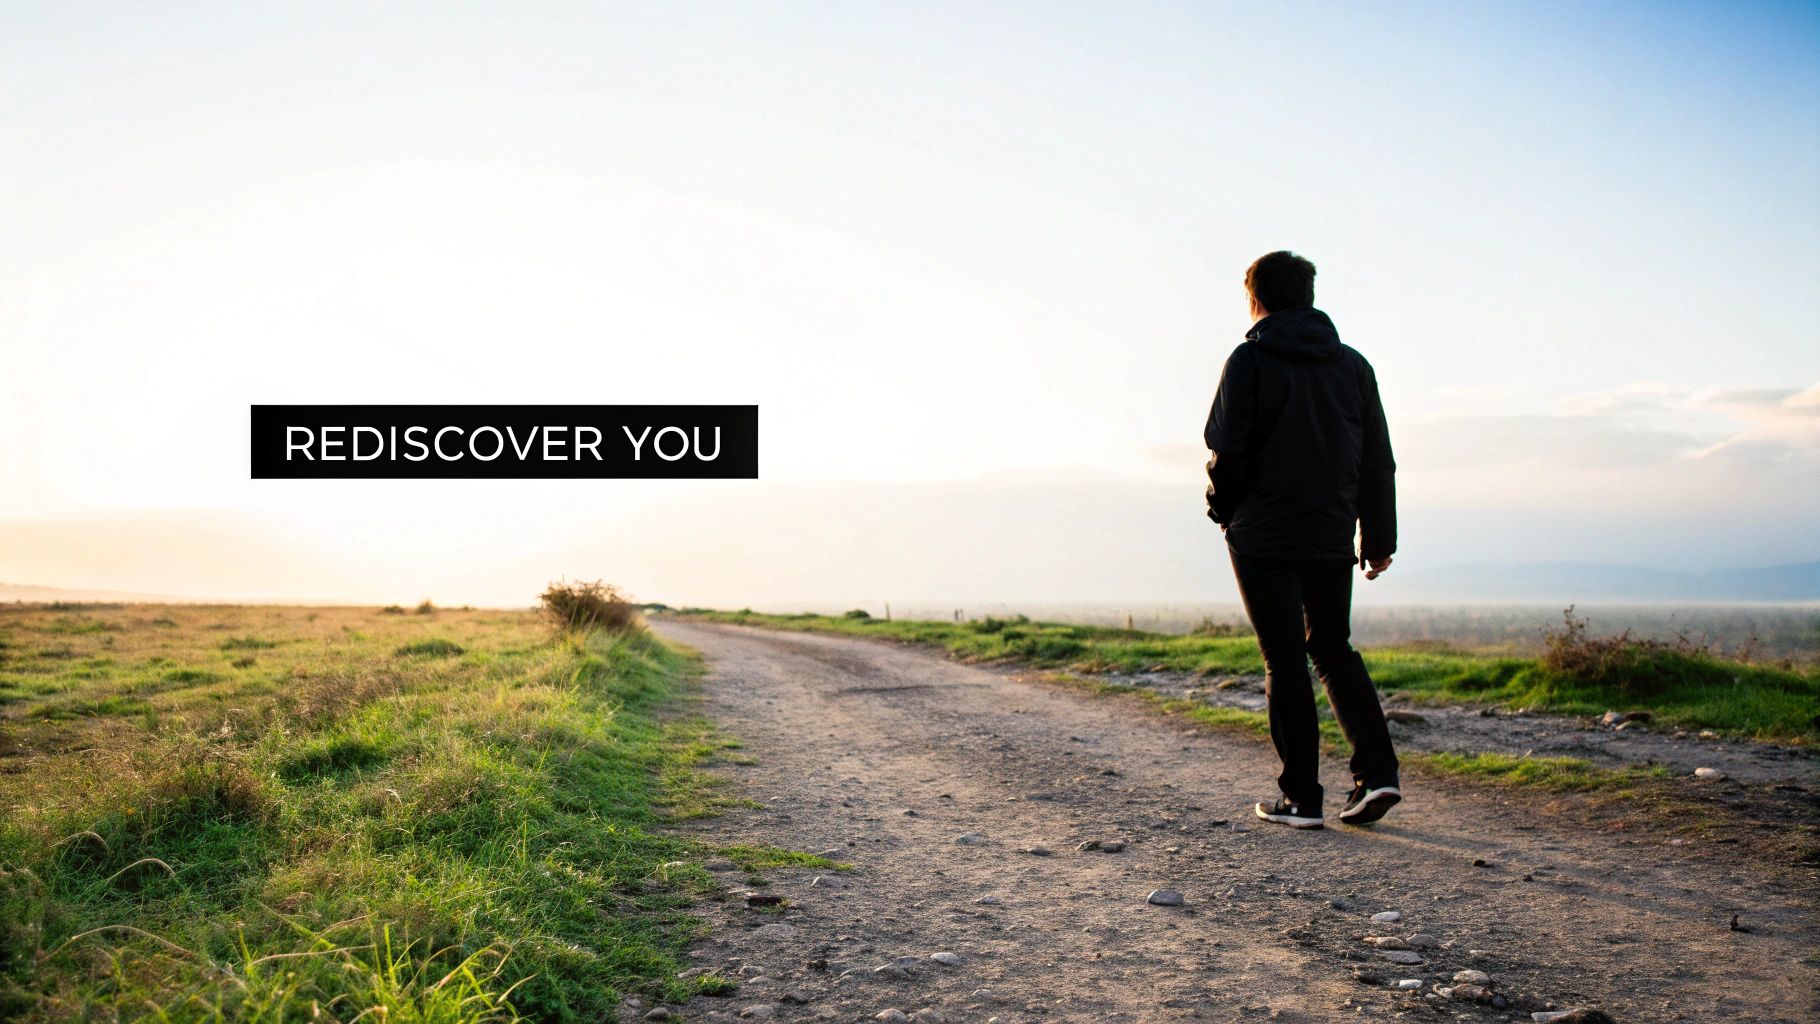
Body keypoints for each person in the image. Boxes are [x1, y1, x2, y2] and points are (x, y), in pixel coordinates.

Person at [1203, 250, 1401, 829]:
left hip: (1261, 533)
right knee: (1333, 648)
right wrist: (1378, 537)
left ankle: (1301, 799)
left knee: (1285, 656)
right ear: (1309, 297)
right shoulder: (1354, 367)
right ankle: (1377, 776)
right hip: (1330, 533)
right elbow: (1377, 461)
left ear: (1255, 300)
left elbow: (1226, 449)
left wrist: (1222, 510)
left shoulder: (1249, 360)